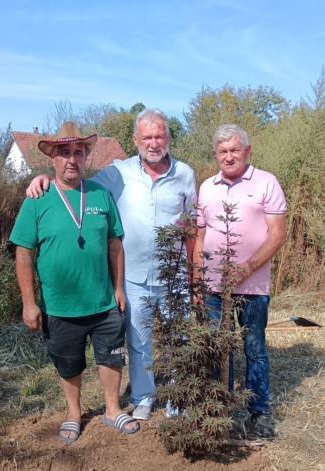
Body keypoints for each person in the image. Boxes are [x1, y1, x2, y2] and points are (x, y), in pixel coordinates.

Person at [25, 109, 197, 421]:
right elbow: (77, 182)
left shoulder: (185, 174)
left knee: (177, 338)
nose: (154, 143)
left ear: (169, 138)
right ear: (135, 140)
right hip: (133, 276)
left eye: (159, 136)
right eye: (147, 137)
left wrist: (194, 273)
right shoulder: (117, 173)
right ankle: (144, 397)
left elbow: (192, 226)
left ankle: (177, 400)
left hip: (174, 277)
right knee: (138, 340)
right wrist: (46, 178)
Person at [10, 121, 139, 442]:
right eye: (64, 152)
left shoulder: (99, 194)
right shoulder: (37, 198)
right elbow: (23, 254)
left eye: (78, 152)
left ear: (86, 157)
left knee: (111, 357)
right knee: (68, 363)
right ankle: (73, 413)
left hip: (103, 301)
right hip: (59, 305)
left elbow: (114, 244)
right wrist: (29, 303)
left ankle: (112, 410)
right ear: (52, 158)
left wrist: (119, 288)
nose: (72, 159)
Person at [194, 124, 287, 438]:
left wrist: (246, 267)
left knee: (254, 347)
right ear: (215, 154)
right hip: (213, 288)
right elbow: (201, 234)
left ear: (247, 151)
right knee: (218, 348)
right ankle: (220, 410)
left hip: (253, 287)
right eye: (223, 151)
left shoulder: (266, 183)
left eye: (235, 150)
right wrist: (197, 278)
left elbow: (278, 235)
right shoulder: (206, 187)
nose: (229, 156)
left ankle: (258, 412)